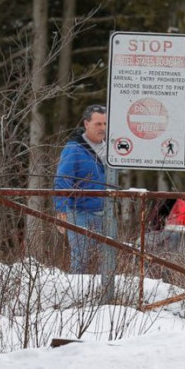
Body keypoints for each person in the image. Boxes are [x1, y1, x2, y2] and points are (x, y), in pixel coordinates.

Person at [53, 104, 108, 274]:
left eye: (105, 124)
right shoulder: (74, 148)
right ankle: (77, 298)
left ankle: (105, 300)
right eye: (98, 124)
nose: (103, 128)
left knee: (106, 261)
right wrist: (62, 209)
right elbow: (63, 179)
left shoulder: (113, 148)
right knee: (81, 260)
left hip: (106, 213)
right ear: (86, 124)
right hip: (80, 212)